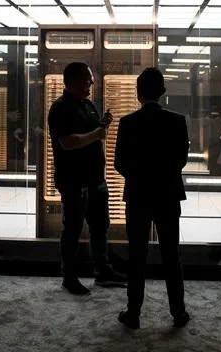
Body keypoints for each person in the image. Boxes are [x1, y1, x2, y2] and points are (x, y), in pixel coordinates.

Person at [114, 68, 191, 329]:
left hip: (137, 194)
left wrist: (139, 177)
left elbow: (119, 163)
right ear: (163, 92)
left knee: (136, 253)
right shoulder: (178, 120)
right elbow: (181, 160)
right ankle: (178, 312)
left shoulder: (127, 122)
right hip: (168, 193)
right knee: (171, 253)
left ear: (138, 94)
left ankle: (133, 311)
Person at [48, 62, 126, 295]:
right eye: (87, 79)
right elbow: (67, 142)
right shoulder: (59, 108)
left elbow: (93, 136)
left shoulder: (88, 105)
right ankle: (69, 276)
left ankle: (102, 271)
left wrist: (103, 125)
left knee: (100, 226)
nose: (91, 83)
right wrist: (96, 134)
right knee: (71, 229)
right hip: (73, 181)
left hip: (95, 179)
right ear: (70, 81)